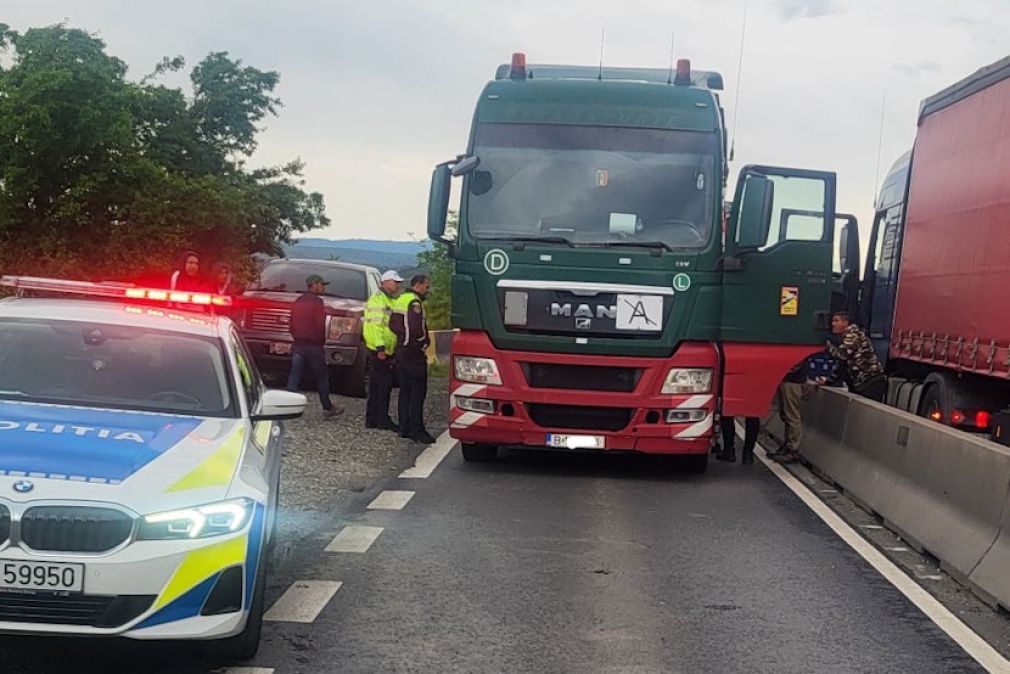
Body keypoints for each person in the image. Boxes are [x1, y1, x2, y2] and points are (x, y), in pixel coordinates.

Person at [287, 274, 343, 419]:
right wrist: (321, 341)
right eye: (322, 284)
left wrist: (296, 337)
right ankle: (327, 407)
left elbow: (291, 324)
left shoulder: (298, 301)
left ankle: (287, 406)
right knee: (321, 377)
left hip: (298, 344)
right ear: (315, 285)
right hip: (313, 345)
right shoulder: (317, 302)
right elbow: (319, 325)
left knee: (295, 375)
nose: (323, 287)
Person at [390, 274, 435, 444]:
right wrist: (421, 344)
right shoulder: (414, 303)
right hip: (412, 353)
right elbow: (415, 328)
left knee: (405, 391)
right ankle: (417, 430)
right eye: (426, 286)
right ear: (418, 285)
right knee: (417, 392)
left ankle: (404, 428)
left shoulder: (401, 299)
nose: (427, 290)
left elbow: (392, 325)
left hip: (401, 351)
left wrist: (402, 341)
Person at [363, 270, 403, 430]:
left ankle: (372, 418)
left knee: (376, 385)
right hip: (380, 350)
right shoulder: (378, 300)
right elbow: (375, 326)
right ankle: (381, 419)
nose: (398, 285)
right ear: (385, 282)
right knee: (383, 385)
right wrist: (380, 347)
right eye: (395, 282)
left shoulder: (389, 300)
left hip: (386, 350)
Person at [826, 312, 887, 402]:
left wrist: (829, 346)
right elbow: (841, 365)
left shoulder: (853, 335)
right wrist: (828, 381)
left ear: (845, 323)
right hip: (864, 382)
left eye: (836, 321)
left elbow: (843, 355)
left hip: (870, 381)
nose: (833, 324)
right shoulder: (847, 337)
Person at [768, 361, 810, 464]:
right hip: (786, 379)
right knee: (786, 414)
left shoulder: (801, 349)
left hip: (793, 381)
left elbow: (797, 363)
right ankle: (787, 446)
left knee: (792, 416)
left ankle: (792, 449)